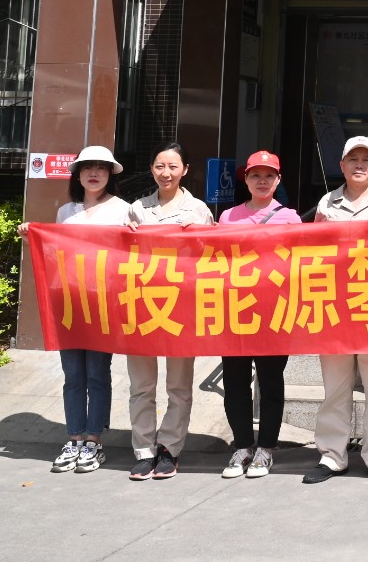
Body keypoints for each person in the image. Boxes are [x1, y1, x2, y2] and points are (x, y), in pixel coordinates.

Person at [17, 145, 129, 475]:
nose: (94, 173)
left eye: (101, 167)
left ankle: (94, 440)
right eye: (87, 167)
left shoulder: (123, 210)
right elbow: (55, 253)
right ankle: (74, 438)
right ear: (77, 175)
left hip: (103, 302)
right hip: (69, 301)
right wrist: (33, 237)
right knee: (73, 375)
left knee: (97, 373)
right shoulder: (66, 211)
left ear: (110, 174)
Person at [303, 136, 368, 486]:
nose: (359, 165)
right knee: (335, 388)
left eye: (366, 160)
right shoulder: (326, 203)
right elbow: (313, 252)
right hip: (334, 307)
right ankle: (332, 455)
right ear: (342, 165)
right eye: (353, 159)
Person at [126, 142, 215, 480]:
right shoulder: (137, 209)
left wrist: (199, 238)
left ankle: (170, 448)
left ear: (185, 170)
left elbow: (213, 257)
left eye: (173, 167)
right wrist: (125, 236)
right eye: (160, 166)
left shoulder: (198, 210)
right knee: (141, 385)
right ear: (151, 169)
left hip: (181, 307)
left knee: (178, 385)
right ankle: (143, 449)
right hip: (142, 305)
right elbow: (117, 256)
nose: (166, 173)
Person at [215, 150, 302, 480]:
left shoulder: (291, 218)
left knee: (270, 381)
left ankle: (266, 447)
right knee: (235, 381)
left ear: (278, 180)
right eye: (255, 175)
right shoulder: (228, 217)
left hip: (274, 312)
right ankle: (241, 446)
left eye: (268, 176)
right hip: (234, 311)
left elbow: (301, 263)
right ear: (246, 179)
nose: (262, 181)